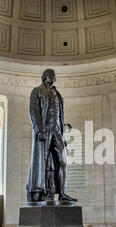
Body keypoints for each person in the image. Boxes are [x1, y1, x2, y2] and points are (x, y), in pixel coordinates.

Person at [26, 69, 77, 203]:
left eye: (54, 75)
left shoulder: (58, 94)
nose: (53, 76)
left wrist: (63, 126)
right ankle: (39, 190)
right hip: (44, 129)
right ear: (44, 77)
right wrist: (39, 129)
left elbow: (58, 114)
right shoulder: (37, 91)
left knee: (62, 161)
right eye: (50, 74)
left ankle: (62, 193)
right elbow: (33, 111)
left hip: (57, 131)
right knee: (42, 161)